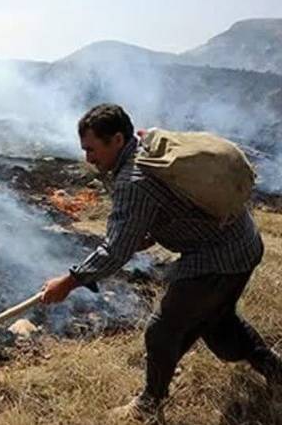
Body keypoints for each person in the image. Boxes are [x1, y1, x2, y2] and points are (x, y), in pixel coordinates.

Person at [40, 103, 282, 423]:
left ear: (116, 140)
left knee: (162, 330)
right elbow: (176, 204)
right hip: (244, 243)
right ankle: (276, 371)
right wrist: (149, 231)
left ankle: (148, 404)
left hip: (217, 258)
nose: (88, 159)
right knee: (218, 323)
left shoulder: (133, 180)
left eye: (91, 149)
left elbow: (115, 251)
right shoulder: (149, 145)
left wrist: (69, 282)